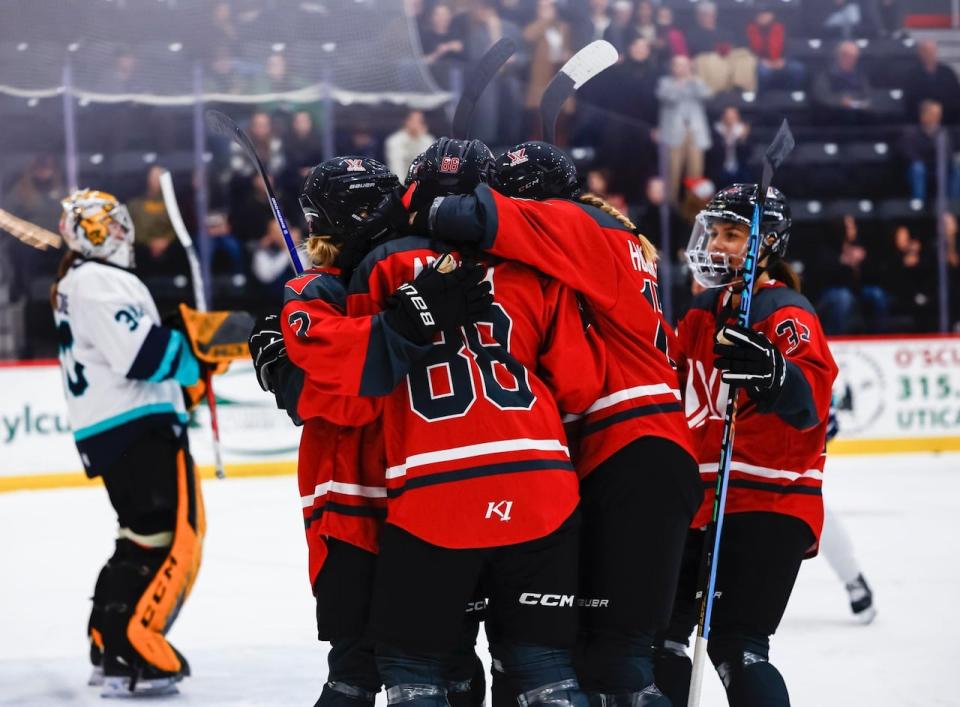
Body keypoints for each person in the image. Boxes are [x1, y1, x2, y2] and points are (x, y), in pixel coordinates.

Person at [404, 140, 703, 706]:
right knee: (628, 653)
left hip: (628, 444)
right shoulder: (607, 231)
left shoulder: (570, 222)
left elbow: (469, 216)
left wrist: (422, 211)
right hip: (650, 447)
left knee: (617, 661)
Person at [355, 138, 607, 707]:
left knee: (416, 668)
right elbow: (579, 385)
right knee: (542, 670)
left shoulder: (380, 265)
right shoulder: (532, 267)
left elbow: (356, 386)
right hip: (540, 487)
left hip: (435, 496)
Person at [247, 155, 494, 707]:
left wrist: (289, 371)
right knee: (435, 659)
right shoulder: (433, 273)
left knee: (375, 667)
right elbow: (340, 398)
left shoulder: (333, 288)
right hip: (414, 501)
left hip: (375, 504)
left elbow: (340, 401)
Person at [656, 184, 838, 707]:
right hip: (700, 505)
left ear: (768, 242)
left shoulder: (785, 313)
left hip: (765, 501)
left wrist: (777, 375)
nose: (715, 244)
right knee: (658, 643)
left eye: (732, 234)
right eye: (713, 231)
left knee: (739, 649)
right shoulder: (701, 312)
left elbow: (809, 407)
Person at [50, 190, 207, 697]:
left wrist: (188, 362)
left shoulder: (81, 281)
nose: (122, 233)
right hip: (134, 428)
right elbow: (140, 357)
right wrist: (196, 349)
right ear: (92, 233)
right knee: (164, 541)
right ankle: (132, 650)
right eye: (110, 226)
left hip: (116, 426)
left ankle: (108, 642)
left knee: (139, 537)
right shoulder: (99, 280)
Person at [657, 55, 713, 203]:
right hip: (674, 134)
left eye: (685, 65)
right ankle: (671, 207)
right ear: (673, 67)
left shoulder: (696, 82)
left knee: (695, 174)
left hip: (695, 133)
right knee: (672, 173)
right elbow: (668, 97)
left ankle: (692, 209)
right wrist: (681, 84)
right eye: (679, 65)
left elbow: (707, 94)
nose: (683, 68)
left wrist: (692, 81)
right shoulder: (665, 82)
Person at [685, 0, 757, 93]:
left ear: (714, 15)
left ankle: (741, 88)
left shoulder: (725, 32)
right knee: (709, 60)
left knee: (746, 56)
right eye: (703, 14)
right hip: (707, 60)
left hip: (728, 58)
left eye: (709, 14)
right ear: (698, 16)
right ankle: (715, 92)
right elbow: (692, 52)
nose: (707, 17)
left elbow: (733, 48)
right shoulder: (692, 34)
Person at [904, 40, 960, 125]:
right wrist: (926, 109)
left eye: (932, 51)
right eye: (926, 51)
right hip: (920, 122)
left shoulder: (948, 72)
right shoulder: (912, 75)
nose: (930, 54)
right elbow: (909, 99)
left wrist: (939, 110)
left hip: (947, 120)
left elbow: (955, 95)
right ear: (920, 53)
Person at [384, 110, 435, 180]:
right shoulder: (395, 141)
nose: (417, 124)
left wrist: (419, 139)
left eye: (420, 121)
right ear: (406, 121)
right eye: (414, 120)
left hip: (423, 184)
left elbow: (428, 164)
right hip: (402, 183)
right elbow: (396, 168)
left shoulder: (428, 140)